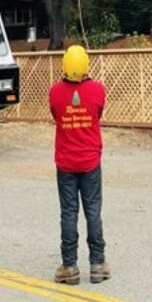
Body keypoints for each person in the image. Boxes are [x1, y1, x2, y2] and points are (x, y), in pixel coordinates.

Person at [49, 44, 110, 285]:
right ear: (86, 66)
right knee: (93, 211)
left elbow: (56, 116)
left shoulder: (55, 92)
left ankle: (69, 266)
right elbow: (98, 114)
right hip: (90, 162)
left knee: (68, 212)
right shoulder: (97, 90)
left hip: (65, 163)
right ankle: (97, 263)